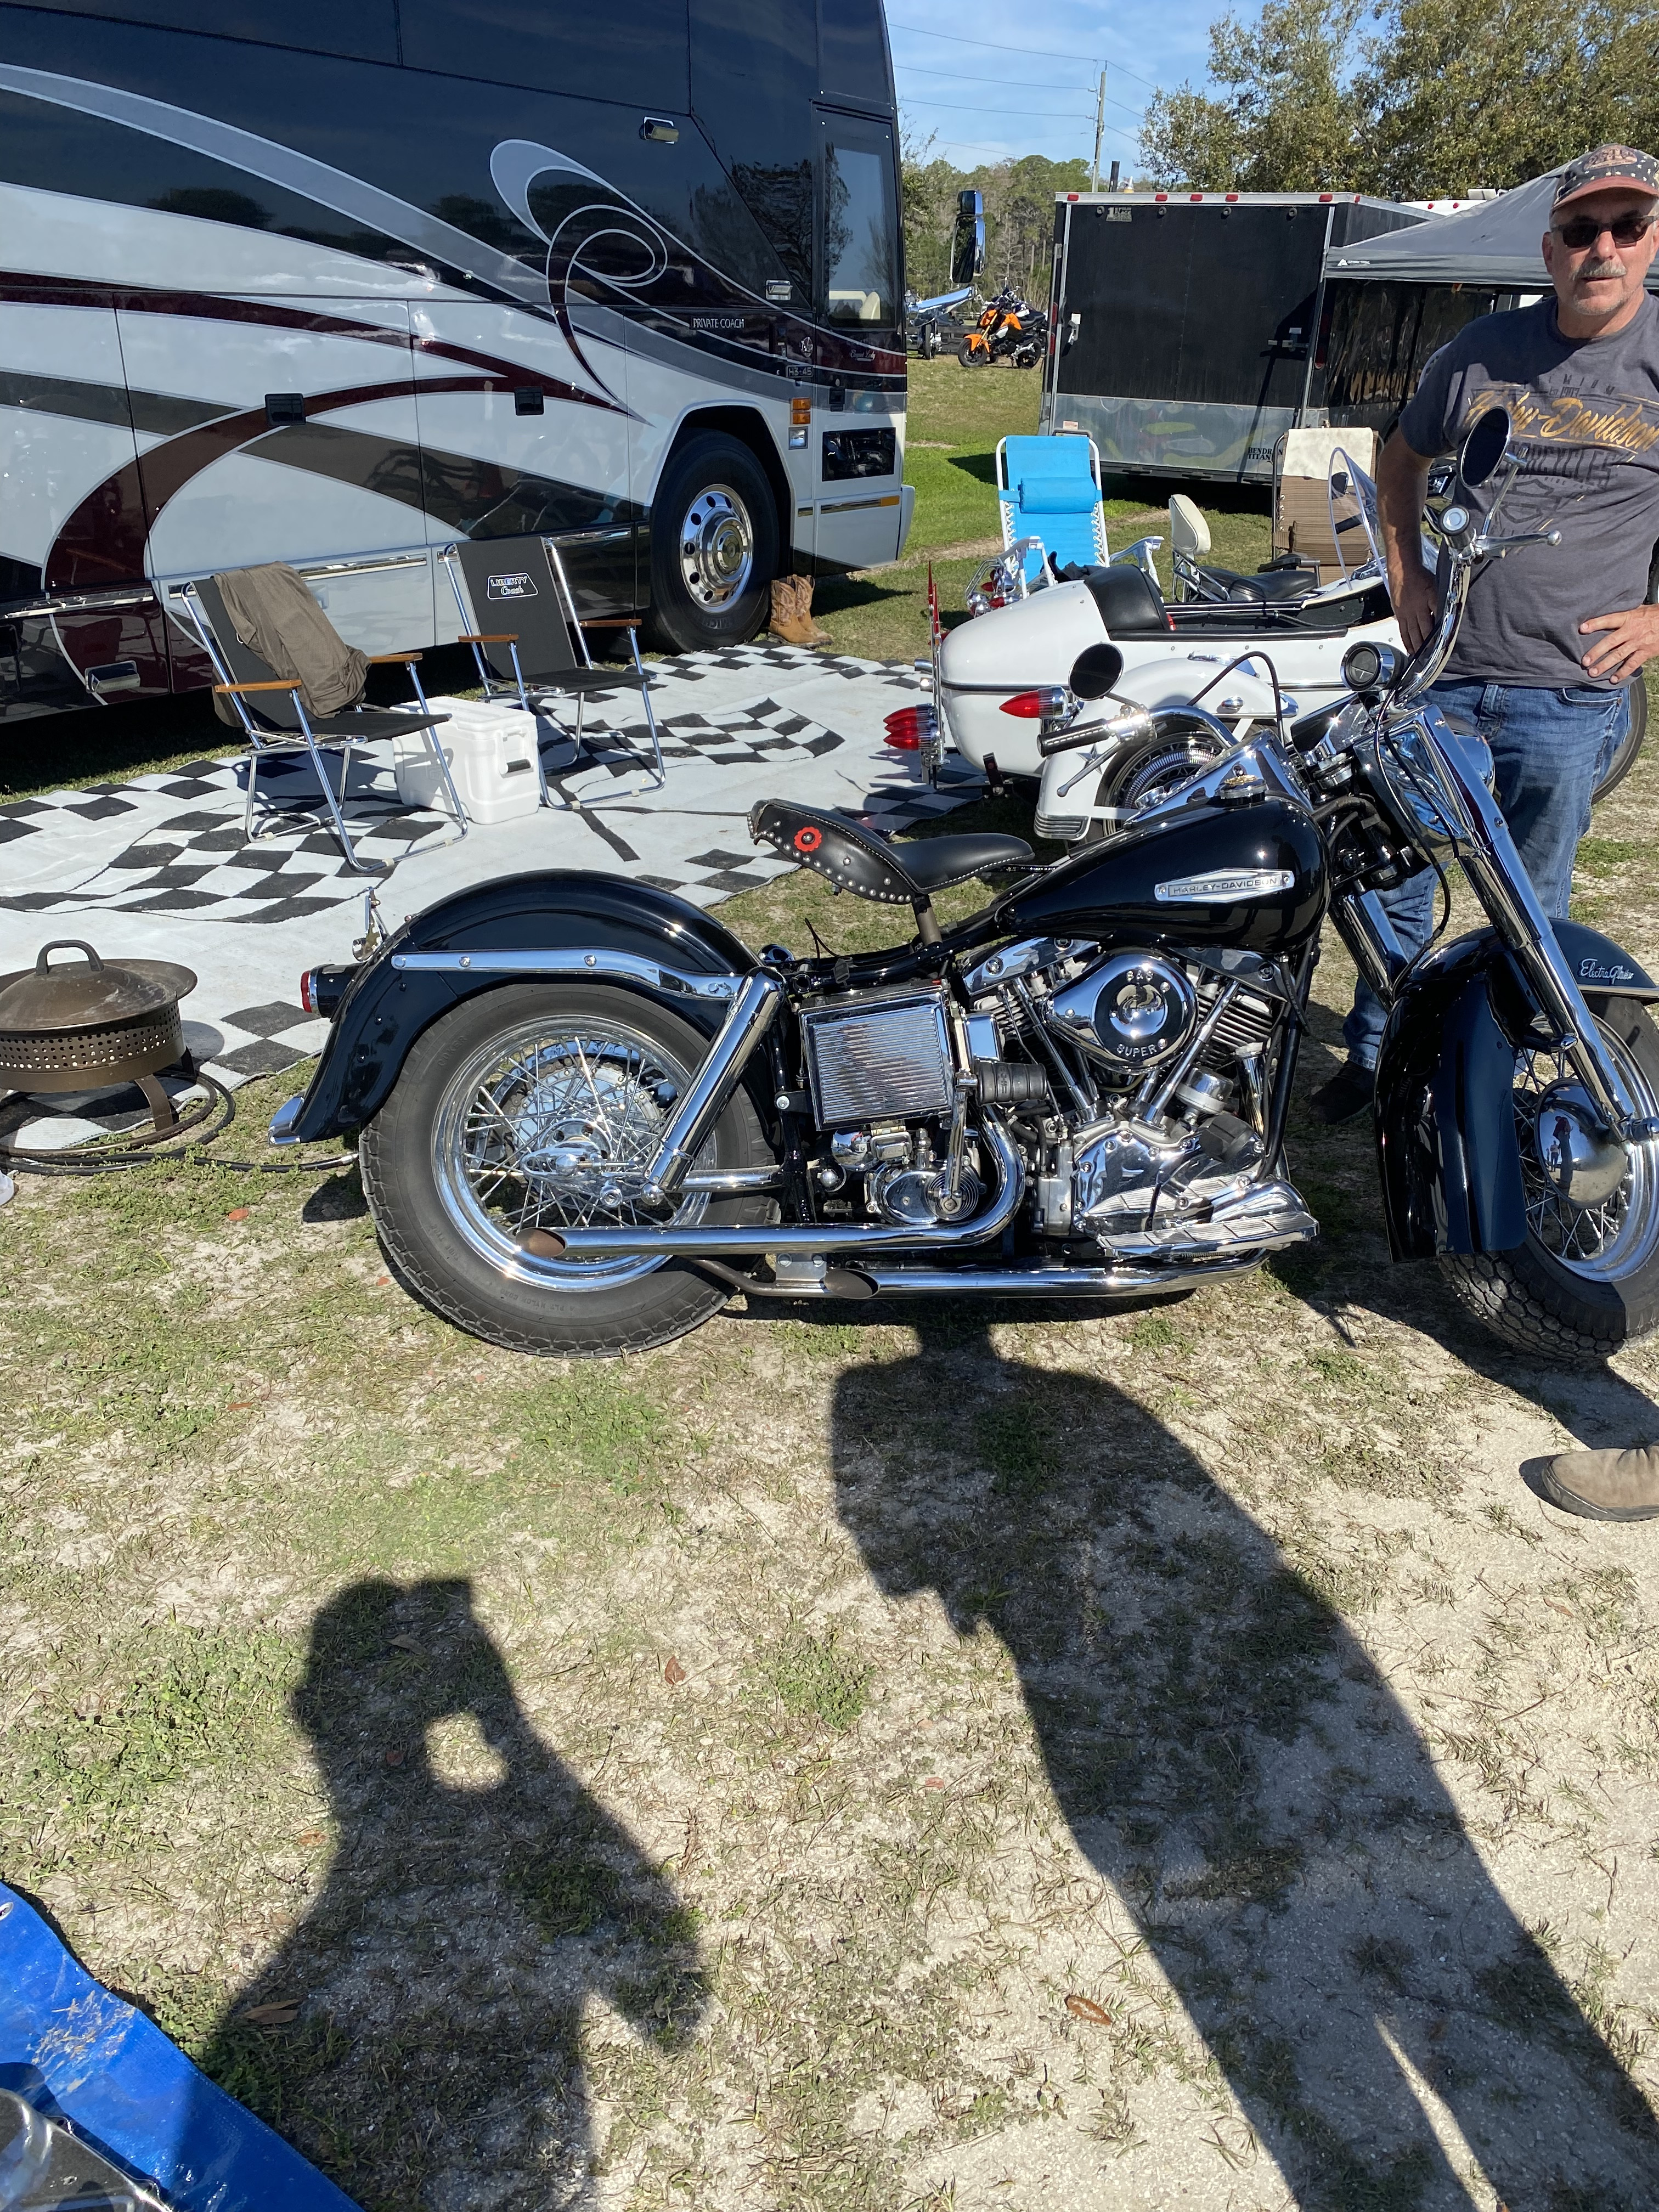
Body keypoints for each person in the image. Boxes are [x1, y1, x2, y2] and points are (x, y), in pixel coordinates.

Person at [1312, 143, 1659, 1129]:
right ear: (1550, 250)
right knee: (1396, 877)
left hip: (1569, 692)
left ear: (1651, 241)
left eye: (1625, 227)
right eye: (1581, 230)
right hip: (1443, 677)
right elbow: (1399, 460)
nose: (1602, 248)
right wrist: (1406, 574)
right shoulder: (1480, 351)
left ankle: (1505, 1080)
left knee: (1531, 901)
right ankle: (1380, 1057)